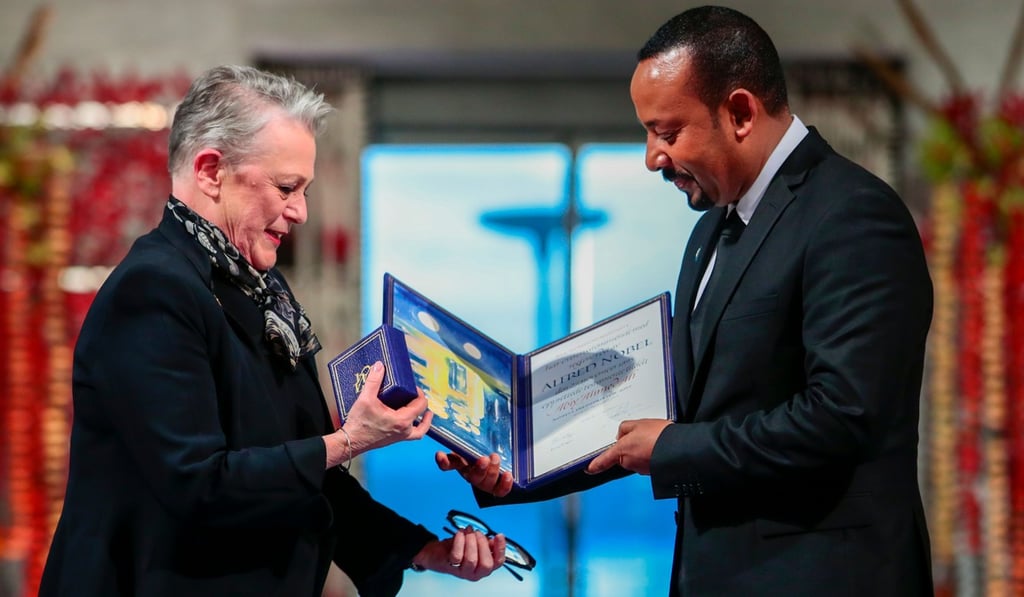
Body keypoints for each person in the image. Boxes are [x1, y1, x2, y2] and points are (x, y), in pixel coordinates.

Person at [437, 6, 934, 596]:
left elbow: (844, 416)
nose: (652, 157)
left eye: (668, 133)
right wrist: (513, 466)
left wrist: (675, 447)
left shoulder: (852, 214)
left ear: (741, 112)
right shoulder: (711, 229)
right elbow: (663, 403)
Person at [40, 65, 505, 597]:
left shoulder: (259, 288)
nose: (301, 211)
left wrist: (424, 551)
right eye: (287, 187)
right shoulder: (152, 291)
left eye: (304, 189)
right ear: (211, 171)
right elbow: (199, 483)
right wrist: (350, 441)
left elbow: (307, 477)